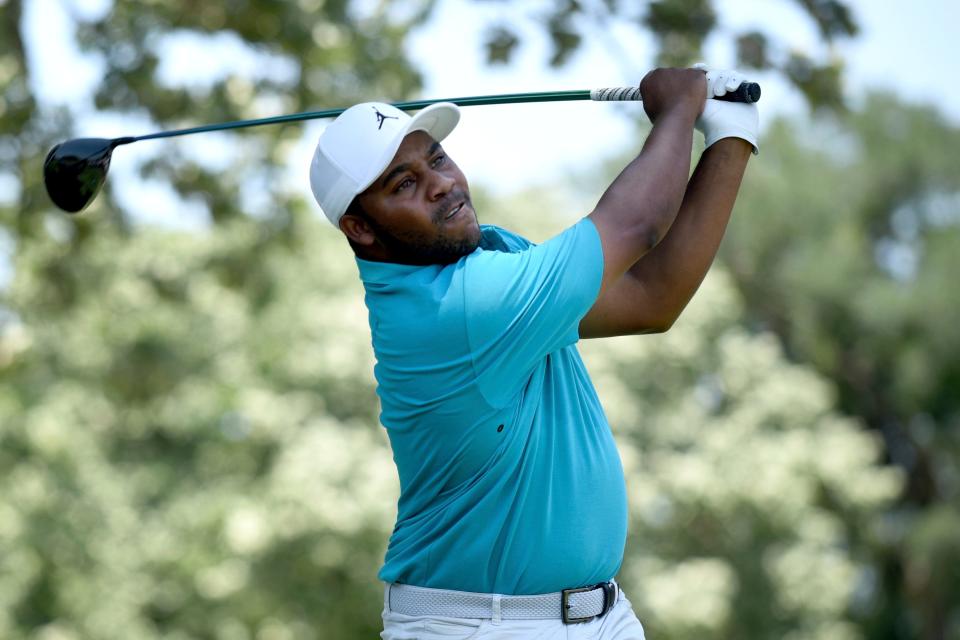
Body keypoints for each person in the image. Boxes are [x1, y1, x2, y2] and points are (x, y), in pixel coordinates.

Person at [308, 65, 758, 639]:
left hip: (602, 618)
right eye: (403, 184)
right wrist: (678, 107)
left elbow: (652, 299)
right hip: (474, 626)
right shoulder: (459, 308)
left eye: (438, 159)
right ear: (360, 227)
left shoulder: (490, 263)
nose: (441, 184)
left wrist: (731, 139)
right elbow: (637, 224)